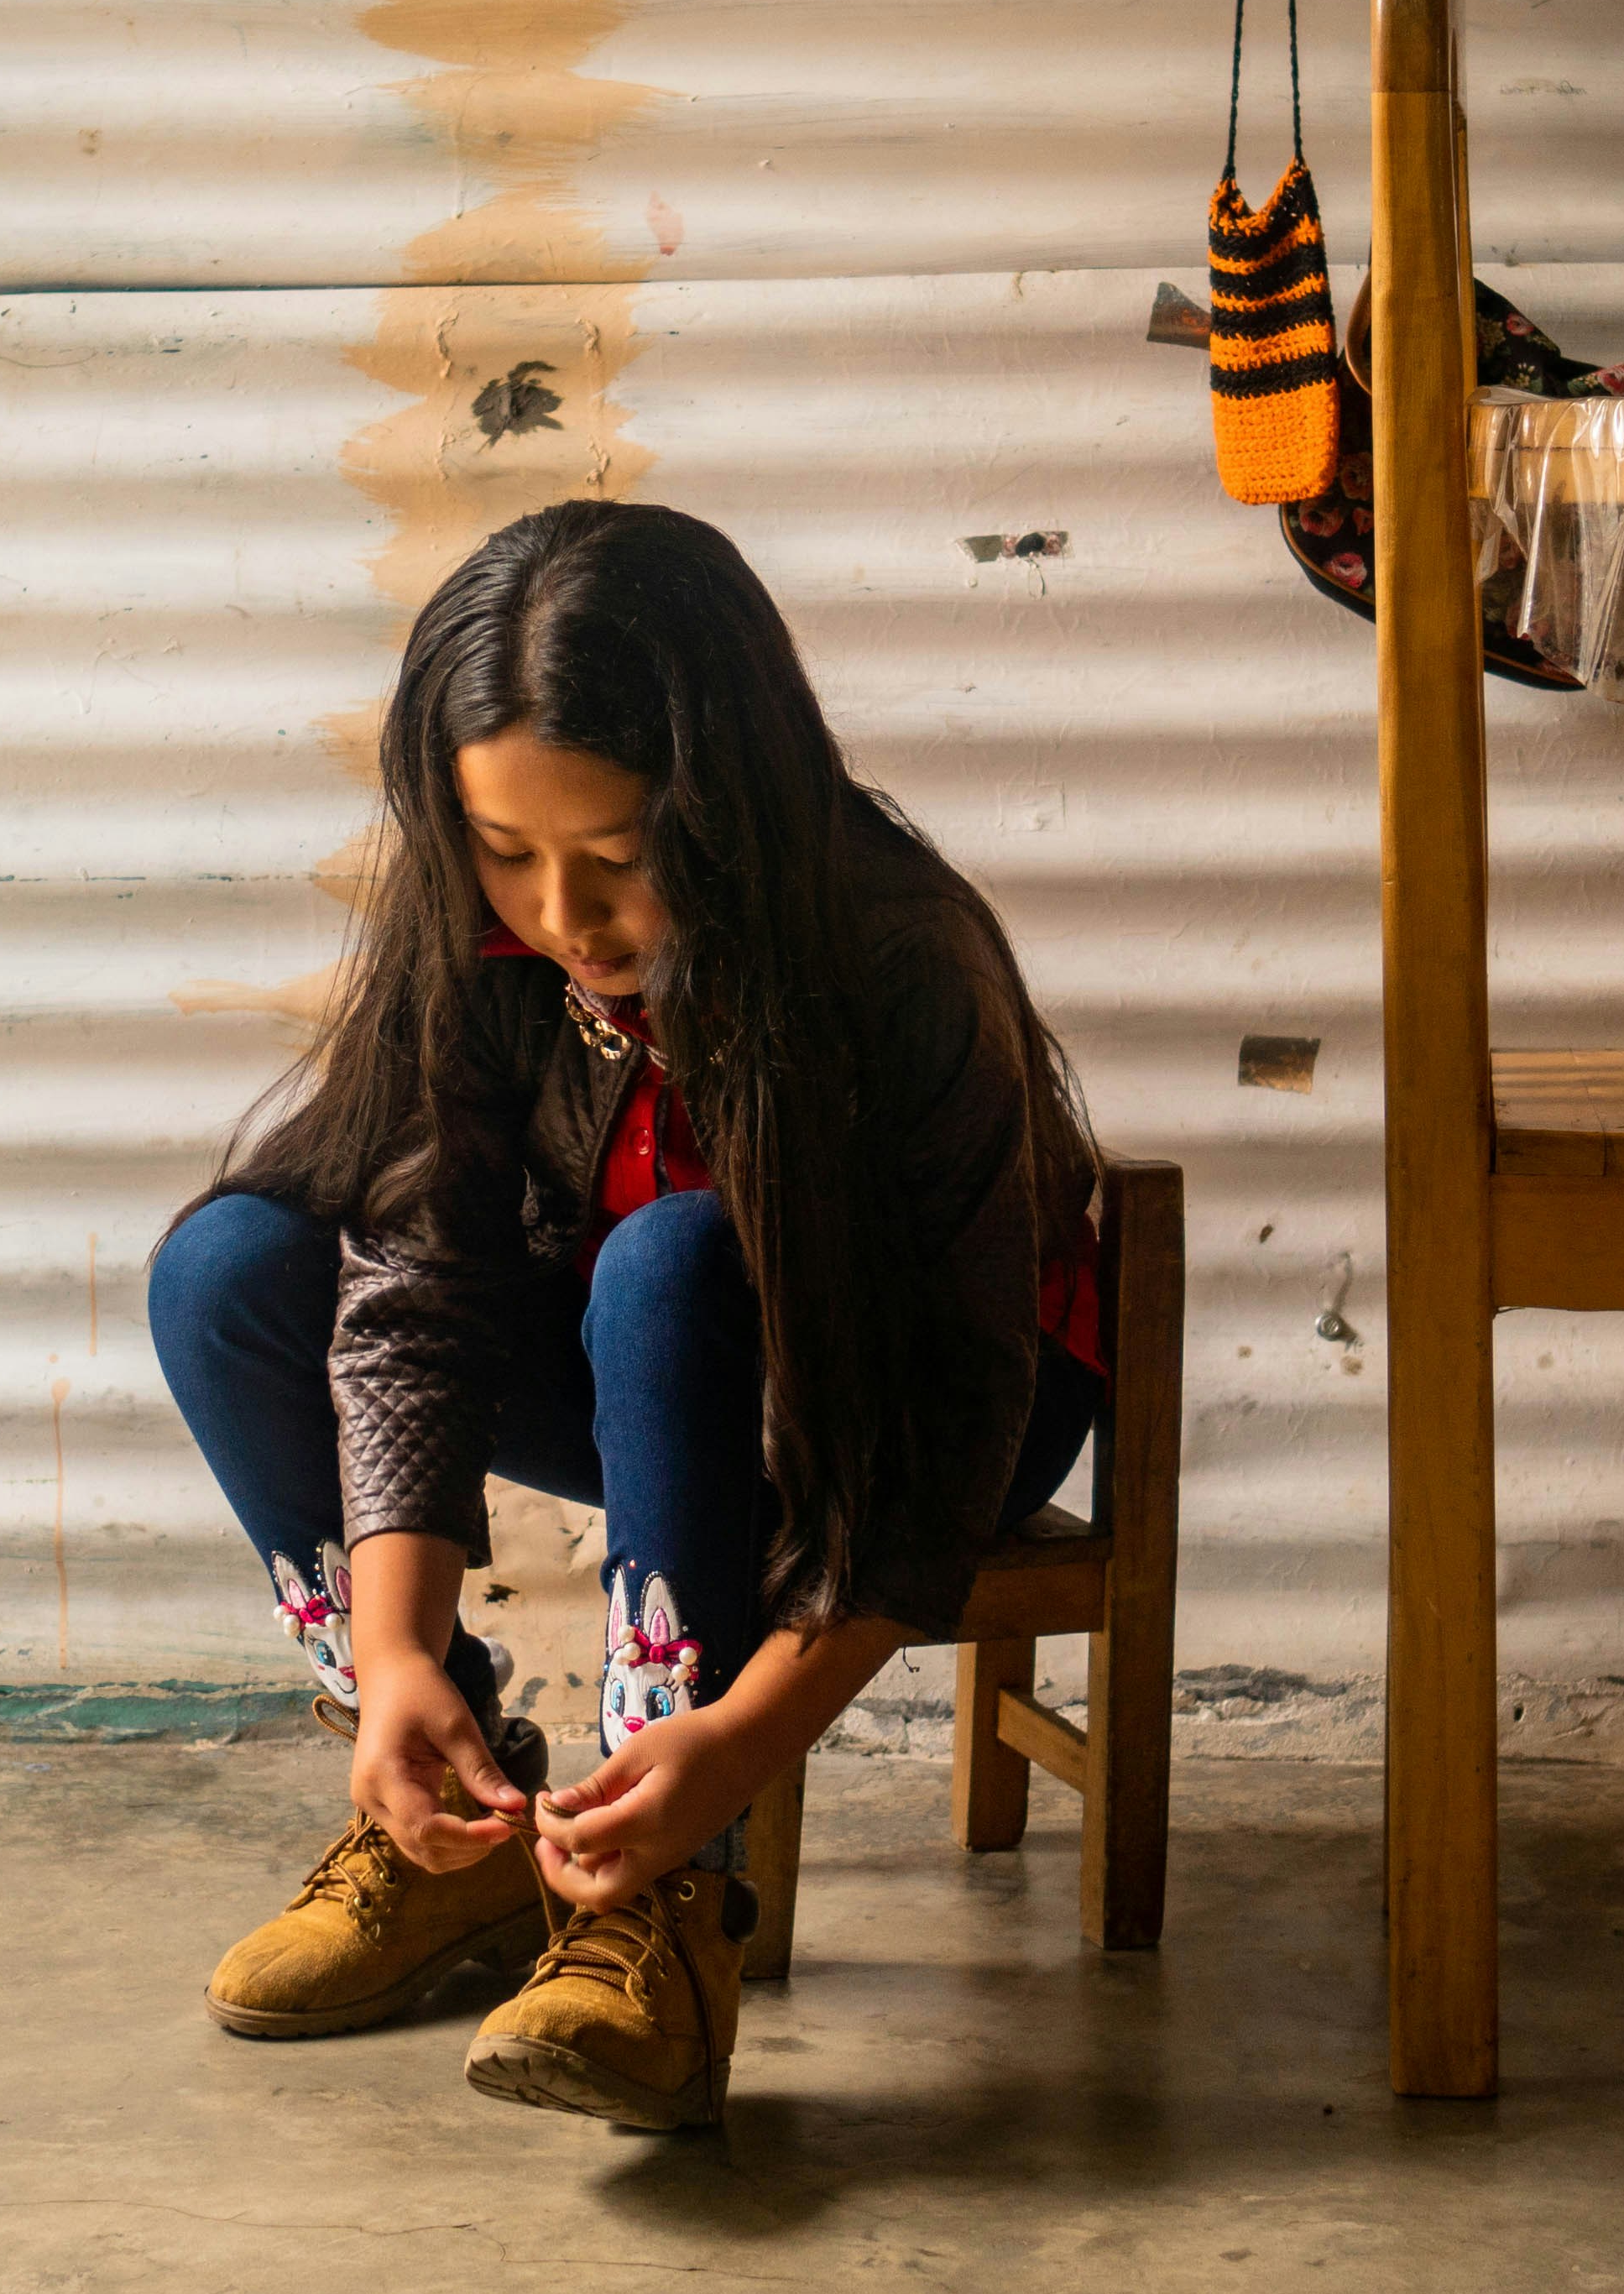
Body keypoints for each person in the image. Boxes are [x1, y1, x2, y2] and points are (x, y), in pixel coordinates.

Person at [148, 499, 1110, 2131]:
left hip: (932, 1415)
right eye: (503, 850)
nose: (559, 917)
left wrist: (741, 1737)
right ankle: (455, 1824)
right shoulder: (486, 936)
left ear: (724, 803)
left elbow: (954, 1407)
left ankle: (652, 1911)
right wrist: (389, 1651)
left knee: (664, 1257)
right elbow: (416, 1277)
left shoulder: (898, 956)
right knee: (229, 1270)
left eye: (615, 853)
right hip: (654, 1367)